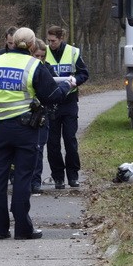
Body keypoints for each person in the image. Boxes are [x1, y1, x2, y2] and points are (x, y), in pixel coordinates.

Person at [0, 27, 74, 240]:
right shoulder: (34, 66)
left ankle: (0, 229)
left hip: (1, 129)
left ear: (12, 43)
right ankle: (23, 228)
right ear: (32, 45)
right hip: (25, 130)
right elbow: (51, 96)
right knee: (22, 177)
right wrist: (67, 86)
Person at [44, 25, 90, 189]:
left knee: (70, 140)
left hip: (69, 102)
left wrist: (74, 81)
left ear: (61, 38)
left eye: (53, 41)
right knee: (52, 143)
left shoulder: (73, 52)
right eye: (48, 40)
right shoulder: (44, 52)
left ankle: (73, 176)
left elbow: (84, 73)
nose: (51, 44)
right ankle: (58, 177)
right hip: (51, 103)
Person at [27, 38, 52, 194]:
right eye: (37, 56)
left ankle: (35, 181)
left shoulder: (47, 70)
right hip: (26, 114)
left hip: (42, 115)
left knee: (39, 148)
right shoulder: (26, 70)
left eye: (42, 56)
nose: (40, 59)